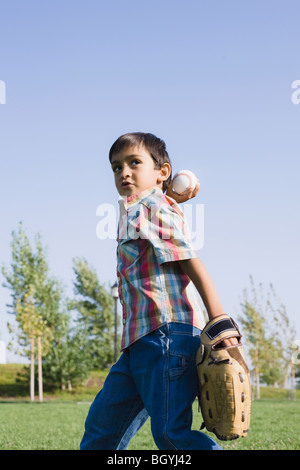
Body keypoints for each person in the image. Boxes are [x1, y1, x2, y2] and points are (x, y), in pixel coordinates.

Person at [80, 132, 236, 450]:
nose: (123, 172)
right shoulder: (144, 210)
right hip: (138, 345)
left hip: (165, 338)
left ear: (161, 171)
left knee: (171, 435)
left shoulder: (151, 209)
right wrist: (169, 195)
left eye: (134, 162)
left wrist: (220, 320)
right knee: (101, 435)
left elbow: (192, 263)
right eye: (115, 166)